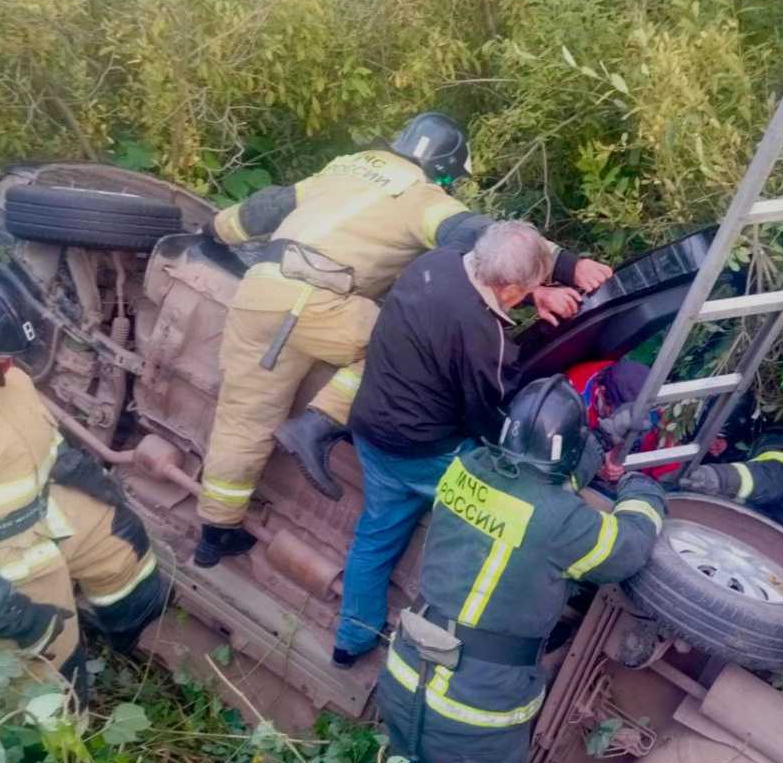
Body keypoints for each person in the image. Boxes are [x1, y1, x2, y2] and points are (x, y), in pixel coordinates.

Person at [194, 111, 612, 566]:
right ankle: (317, 425)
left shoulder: (345, 166)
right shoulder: (418, 196)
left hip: (258, 295)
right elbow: (488, 239)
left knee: (241, 417)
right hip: (319, 303)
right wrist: (567, 265)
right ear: (445, 167)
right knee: (402, 345)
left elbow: (265, 209)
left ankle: (216, 533)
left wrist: (212, 232)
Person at [378, 375, 666, 763]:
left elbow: (529, 486)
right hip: (473, 714)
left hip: (406, 676)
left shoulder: (466, 470)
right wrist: (643, 491)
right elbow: (626, 550)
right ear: (565, 455)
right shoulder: (562, 523)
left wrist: (600, 438)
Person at [0, 268, 168, 702]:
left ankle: (124, 648)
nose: (8, 366)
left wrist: (90, 482)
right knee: (44, 678)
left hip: (42, 508)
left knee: (125, 551)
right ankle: (59, 754)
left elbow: (41, 441)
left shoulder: (5, 379)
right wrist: (7, 614)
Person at [332, 220, 563, 668]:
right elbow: (484, 413)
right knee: (492, 531)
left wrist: (540, 291)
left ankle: (350, 642)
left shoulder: (433, 264)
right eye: (527, 290)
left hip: (371, 430)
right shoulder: (482, 334)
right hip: (425, 454)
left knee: (375, 536)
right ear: (511, 289)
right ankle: (458, 645)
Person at [565, 357, 783, 561]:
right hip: (753, 537)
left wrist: (718, 479)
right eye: (711, 438)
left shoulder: (777, 447)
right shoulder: (574, 397)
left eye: (720, 438)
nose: (714, 445)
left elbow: (770, 479)